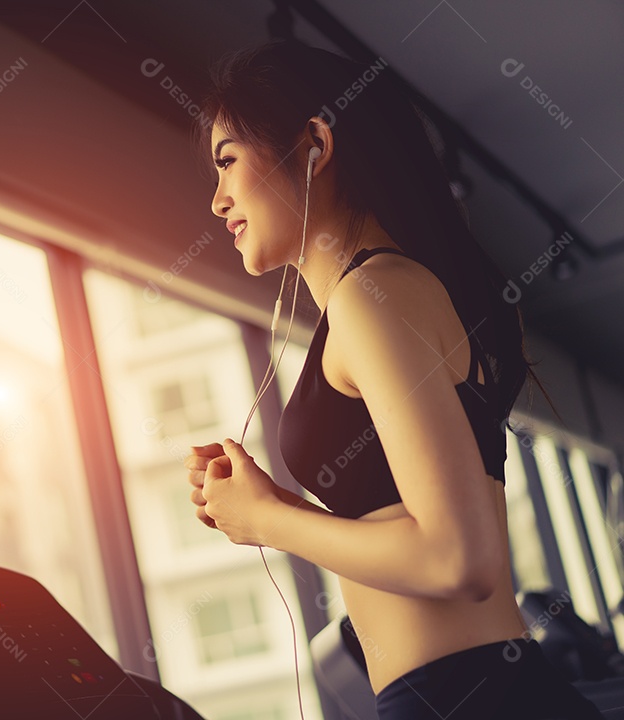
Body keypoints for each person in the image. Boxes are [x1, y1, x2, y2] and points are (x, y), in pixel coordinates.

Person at [183, 40, 605, 719]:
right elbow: (422, 534)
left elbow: (458, 559)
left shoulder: (372, 296)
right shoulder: (380, 295)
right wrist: (273, 508)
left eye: (227, 162)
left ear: (316, 144)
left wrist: (265, 519)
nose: (216, 201)